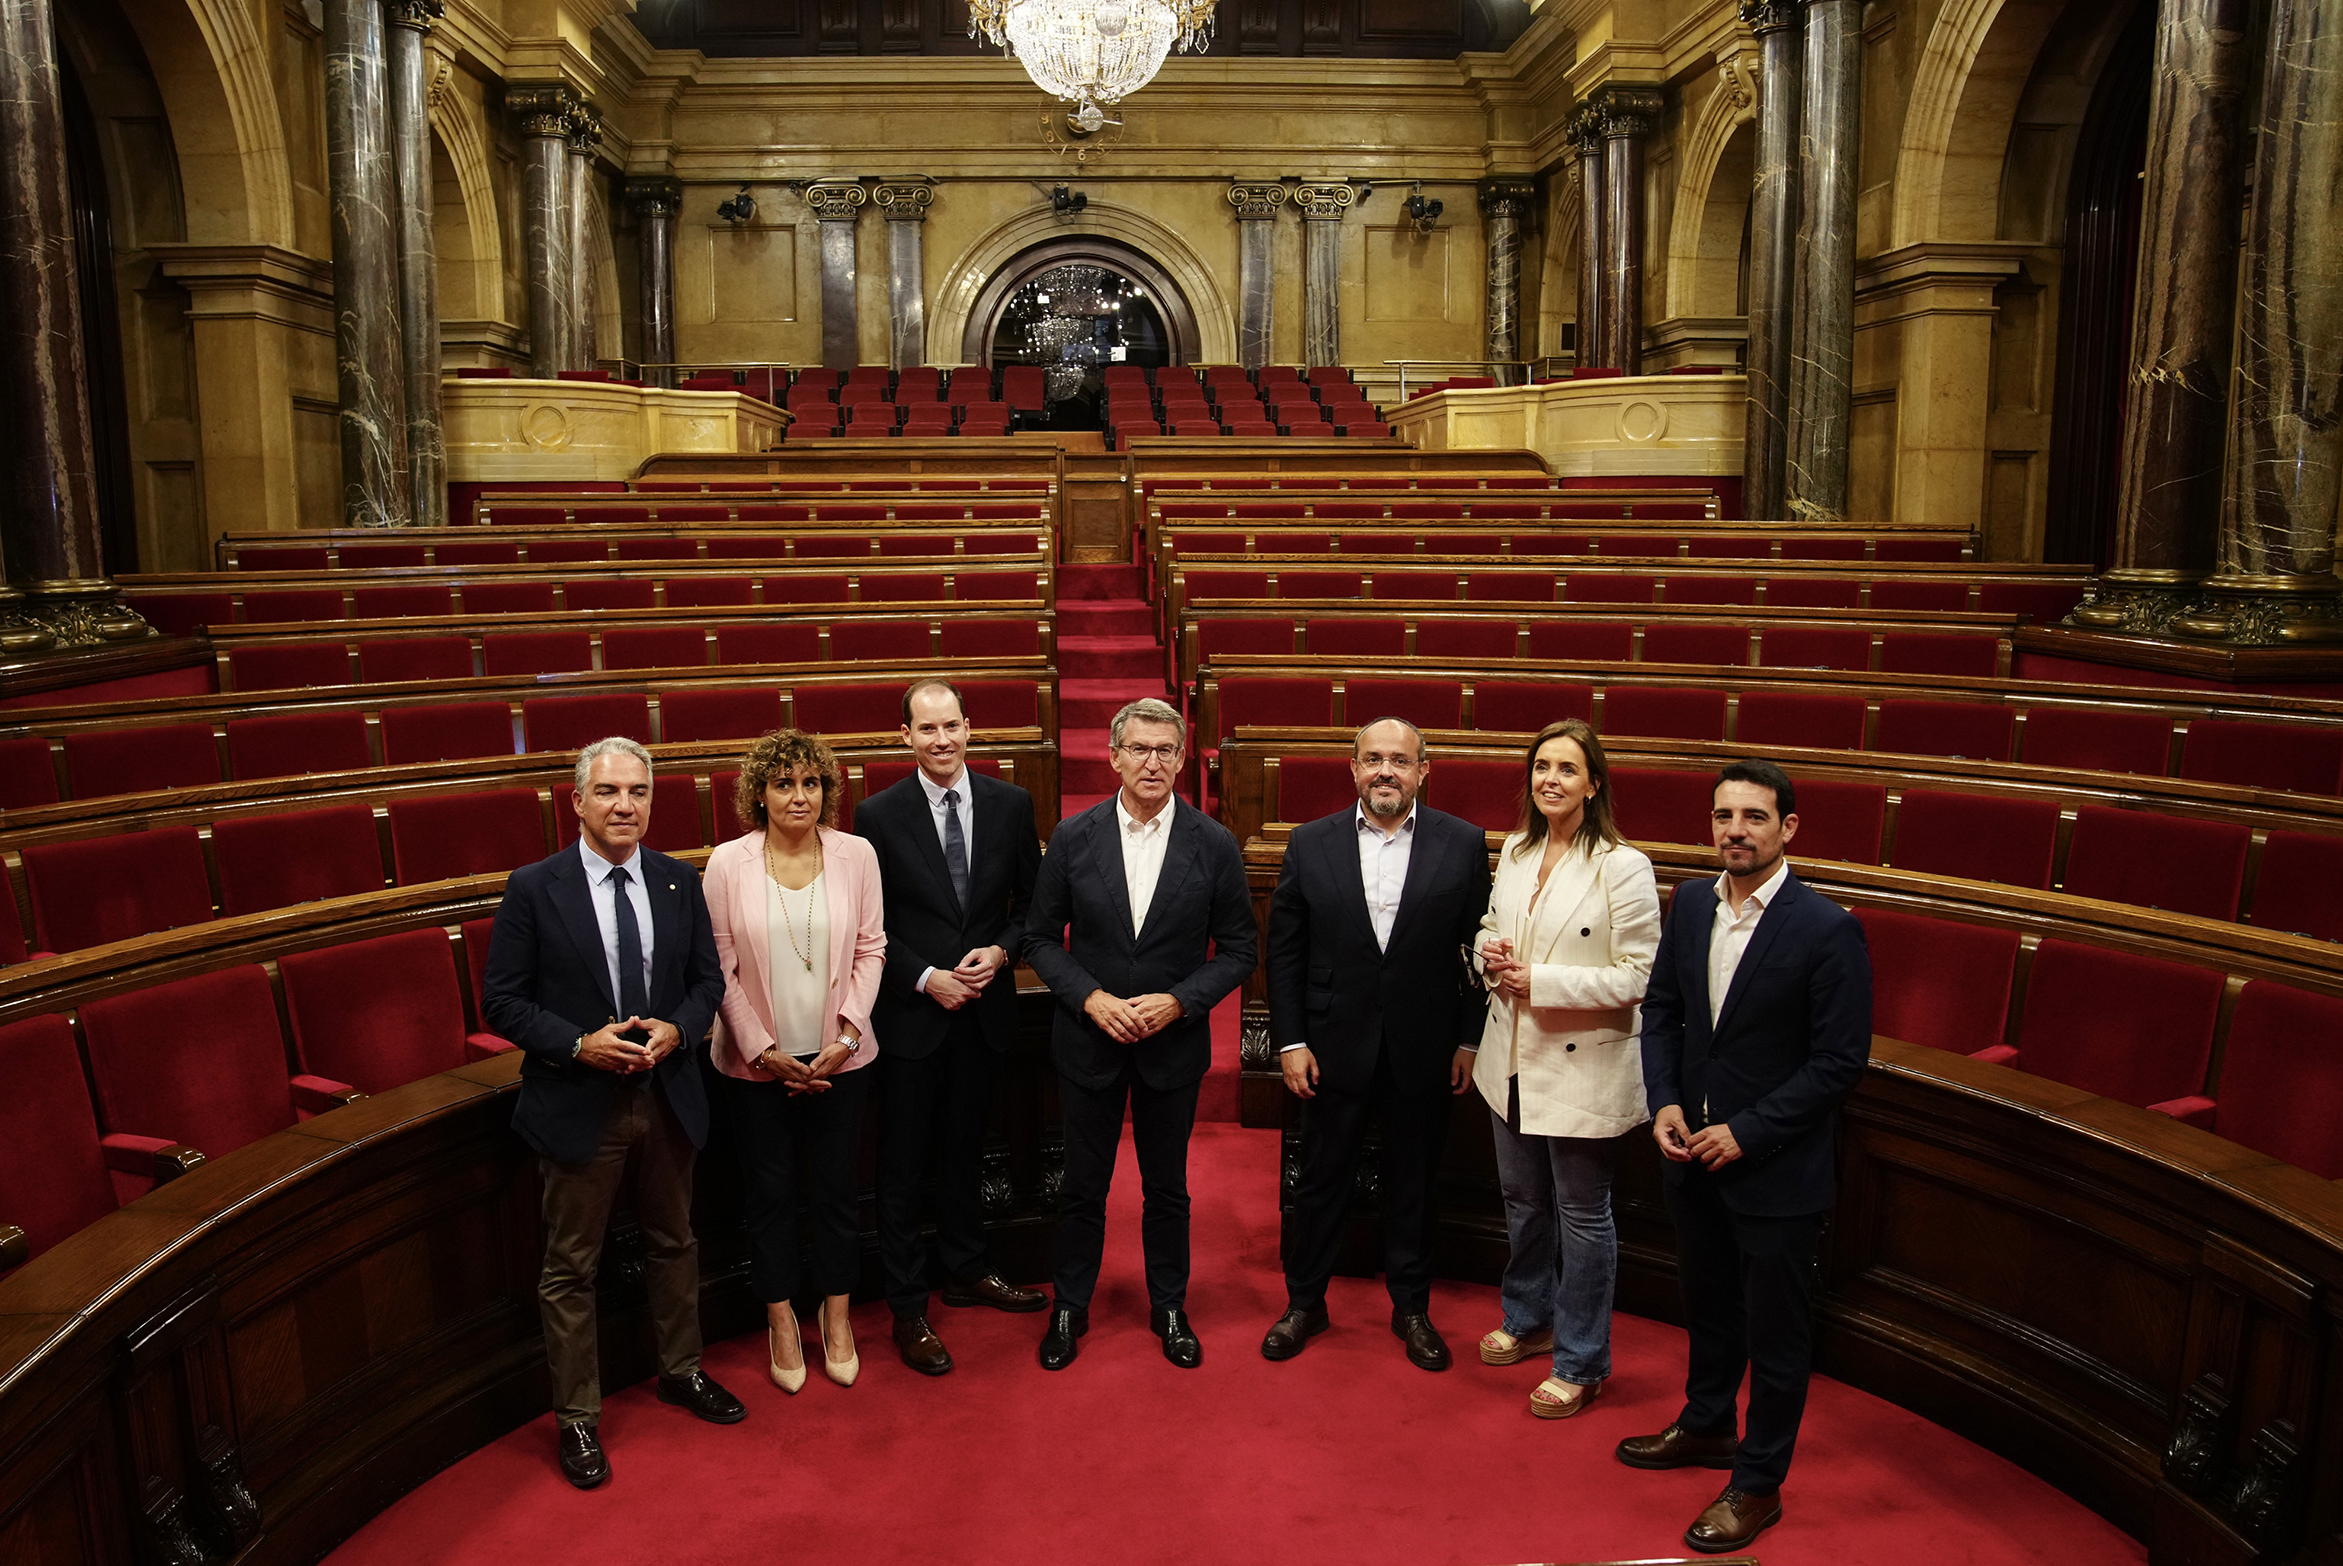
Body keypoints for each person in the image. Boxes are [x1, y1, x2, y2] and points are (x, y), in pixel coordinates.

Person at [1617, 758, 1871, 1554]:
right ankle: (1705, 1426)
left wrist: (1748, 1130)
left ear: (1787, 828)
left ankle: (1758, 1484)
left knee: (1777, 1334)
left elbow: (1838, 1062)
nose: (1734, 830)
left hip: (1774, 1169)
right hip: (1688, 1155)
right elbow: (1661, 1011)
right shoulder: (1691, 902)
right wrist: (1661, 1100)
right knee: (1709, 1307)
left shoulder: (1827, 927)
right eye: (1724, 816)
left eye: (1753, 818)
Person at [482, 736, 742, 1491]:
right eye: (608, 792)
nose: (625, 805)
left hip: (668, 1095)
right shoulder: (535, 887)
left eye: (637, 792)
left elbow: (704, 980)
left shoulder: (674, 880)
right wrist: (576, 1043)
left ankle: (681, 1371)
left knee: (674, 1243)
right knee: (571, 1269)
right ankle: (577, 1419)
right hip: (577, 1103)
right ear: (578, 801)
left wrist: (679, 1028)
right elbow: (501, 1000)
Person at [1020, 697, 1256, 1371]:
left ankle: (1169, 1305)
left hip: (1170, 1045)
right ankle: (1070, 1305)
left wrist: (1179, 1003)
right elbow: (1039, 936)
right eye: (1139, 749)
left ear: (1182, 760)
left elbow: (1240, 948)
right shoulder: (1073, 835)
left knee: (1168, 1188)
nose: (1152, 762)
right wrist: (1089, 997)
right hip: (1087, 1038)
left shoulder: (1212, 843)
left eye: (1165, 751)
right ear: (1113, 755)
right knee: (1082, 1186)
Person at [1262, 718, 1490, 1371]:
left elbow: (1478, 952)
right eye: (1372, 759)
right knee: (1321, 1179)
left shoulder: (1463, 843)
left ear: (1423, 770)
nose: (1384, 770)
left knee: (1414, 1181)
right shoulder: (1310, 844)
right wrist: (1290, 1041)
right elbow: (1285, 953)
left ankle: (1411, 1309)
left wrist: (1470, 1041)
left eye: (1399, 760)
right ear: (1352, 768)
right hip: (1330, 1044)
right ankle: (1304, 1302)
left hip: (1425, 1044)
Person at [1467, 718, 1660, 1418]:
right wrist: (1489, 956)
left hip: (1581, 1062)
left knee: (1582, 1215)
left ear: (1593, 783)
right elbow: (1491, 925)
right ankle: (1526, 1317)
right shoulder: (1516, 850)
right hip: (1509, 1056)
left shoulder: (1622, 865)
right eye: (1541, 766)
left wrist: (1539, 983)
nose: (1550, 779)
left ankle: (1581, 1360)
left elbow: (1638, 976)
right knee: (1521, 1203)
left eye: (1566, 769)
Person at [854, 678, 1047, 1376]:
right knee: (903, 1165)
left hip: (984, 1012)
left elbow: (1031, 904)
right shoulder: (874, 814)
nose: (941, 741)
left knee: (969, 1150)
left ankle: (966, 1269)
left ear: (970, 728)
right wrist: (923, 977)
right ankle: (908, 1306)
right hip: (911, 1014)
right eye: (926, 730)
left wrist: (1000, 952)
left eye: (951, 727)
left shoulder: (1009, 803)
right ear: (904, 736)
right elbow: (868, 921)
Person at [702, 729, 887, 1396]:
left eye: (810, 783)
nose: (798, 795)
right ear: (759, 793)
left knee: (838, 1194)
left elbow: (872, 949)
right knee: (769, 1196)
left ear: (827, 791)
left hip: (843, 1059)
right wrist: (764, 1051)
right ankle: (780, 1317)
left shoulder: (856, 854)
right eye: (783, 783)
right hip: (757, 1068)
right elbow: (718, 967)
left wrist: (846, 1036)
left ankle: (836, 1316)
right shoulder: (727, 863)